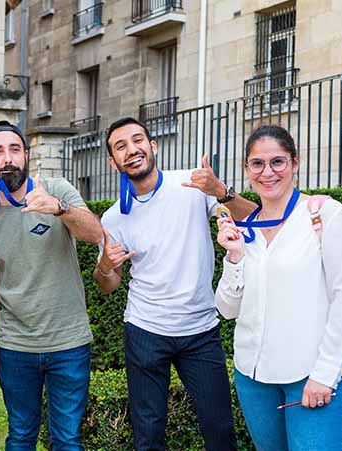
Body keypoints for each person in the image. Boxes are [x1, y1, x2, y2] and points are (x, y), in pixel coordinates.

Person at [92, 117, 257, 451]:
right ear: (113, 161)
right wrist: (106, 266)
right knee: (149, 436)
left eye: (138, 140)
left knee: (220, 430)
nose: (131, 150)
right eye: (120, 146)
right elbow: (108, 284)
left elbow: (256, 218)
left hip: (200, 331)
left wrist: (221, 191)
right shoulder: (113, 218)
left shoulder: (191, 186)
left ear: (153, 146)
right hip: (145, 331)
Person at [214, 125, 342, 451]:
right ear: (246, 169)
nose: (267, 172)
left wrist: (325, 375)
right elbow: (226, 309)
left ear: (295, 163)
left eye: (277, 162)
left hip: (312, 374)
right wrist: (235, 257)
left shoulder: (326, 215)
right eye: (257, 164)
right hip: (253, 377)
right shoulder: (246, 228)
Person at [0, 121, 103, 451]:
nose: (8, 158)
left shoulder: (56, 189)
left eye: (15, 149)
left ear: (27, 155)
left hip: (68, 344)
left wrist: (59, 208)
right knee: (21, 436)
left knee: (67, 439)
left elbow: (94, 233)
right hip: (16, 348)